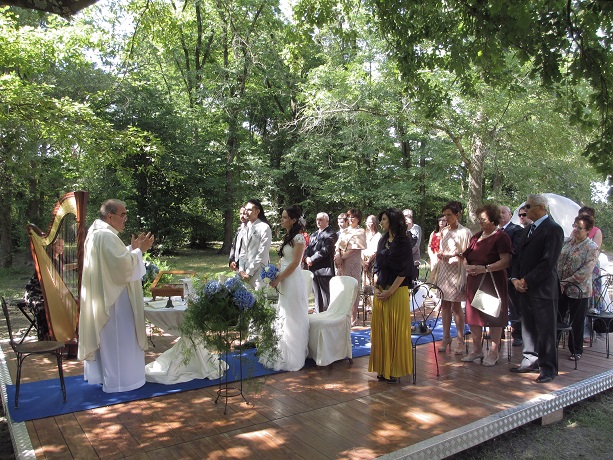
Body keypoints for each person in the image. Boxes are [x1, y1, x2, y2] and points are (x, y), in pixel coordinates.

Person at [78, 199, 155, 393]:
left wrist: (131, 250)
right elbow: (121, 268)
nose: (125, 219)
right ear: (110, 216)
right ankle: (123, 382)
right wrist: (140, 251)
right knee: (121, 340)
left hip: (107, 297)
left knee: (111, 341)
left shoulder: (97, 233)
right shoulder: (105, 235)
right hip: (116, 303)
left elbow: (112, 262)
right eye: (122, 215)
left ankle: (107, 377)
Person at [510, 194, 564, 383]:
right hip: (524, 288)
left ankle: (548, 368)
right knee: (528, 326)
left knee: (545, 328)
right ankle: (530, 359)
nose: (524, 210)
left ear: (541, 208)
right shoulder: (527, 230)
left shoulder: (553, 229)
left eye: (528, 206)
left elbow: (548, 261)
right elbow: (518, 257)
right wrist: (515, 279)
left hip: (543, 289)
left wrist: (527, 280)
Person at [462, 204, 513, 366]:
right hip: (474, 280)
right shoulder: (476, 237)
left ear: (493, 220)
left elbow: (506, 261)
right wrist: (466, 266)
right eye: (479, 219)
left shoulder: (501, 237)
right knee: (473, 316)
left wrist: (485, 269)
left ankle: (494, 351)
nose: (480, 222)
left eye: (483, 219)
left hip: (492, 281)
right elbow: (465, 256)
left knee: (493, 315)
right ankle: (477, 350)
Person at [260, 205, 309, 371]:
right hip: (284, 277)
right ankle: (281, 351)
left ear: (293, 220)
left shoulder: (299, 238)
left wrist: (279, 278)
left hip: (292, 279)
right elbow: (284, 260)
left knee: (292, 316)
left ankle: (293, 356)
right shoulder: (289, 235)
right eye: (282, 217)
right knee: (283, 314)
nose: (282, 220)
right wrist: (274, 273)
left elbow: (295, 263)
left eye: (285, 217)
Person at [369, 208, 413, 383]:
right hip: (381, 291)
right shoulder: (382, 239)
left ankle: (394, 369)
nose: (382, 222)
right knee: (382, 331)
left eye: (385, 219)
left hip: (396, 291)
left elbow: (405, 270)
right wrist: (376, 286)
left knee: (395, 332)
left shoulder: (404, 242)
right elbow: (377, 266)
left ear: (393, 221)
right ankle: (382, 368)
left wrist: (390, 291)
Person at [557, 215, 599, 360]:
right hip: (560, 287)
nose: (575, 229)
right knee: (557, 316)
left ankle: (576, 350)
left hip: (578, 289)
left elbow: (586, 271)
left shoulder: (591, 247)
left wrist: (566, 282)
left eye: (579, 228)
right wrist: (558, 281)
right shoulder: (566, 241)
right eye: (574, 226)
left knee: (576, 321)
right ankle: (552, 344)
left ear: (588, 230)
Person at [433, 201, 472, 355]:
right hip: (444, 271)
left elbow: (467, 253)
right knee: (445, 305)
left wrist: (454, 255)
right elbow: (441, 248)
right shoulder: (443, 231)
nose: (447, 218)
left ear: (457, 215)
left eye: (450, 215)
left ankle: (461, 340)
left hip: (457, 271)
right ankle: (446, 337)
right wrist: (441, 254)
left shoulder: (464, 232)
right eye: (445, 215)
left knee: (456, 307)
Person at [335, 208, 367, 324]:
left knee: (353, 288)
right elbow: (337, 245)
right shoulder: (345, 231)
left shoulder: (360, 231)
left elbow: (354, 249)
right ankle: (344, 314)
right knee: (342, 288)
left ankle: (353, 317)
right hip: (342, 263)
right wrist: (338, 255)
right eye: (348, 217)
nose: (350, 219)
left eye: (353, 217)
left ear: (358, 219)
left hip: (352, 262)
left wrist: (342, 257)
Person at [304, 212, 338, 312]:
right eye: (317, 219)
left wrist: (312, 259)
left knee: (325, 296)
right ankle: (318, 315)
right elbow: (308, 248)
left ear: (327, 221)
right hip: (314, 269)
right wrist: (306, 258)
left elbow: (326, 250)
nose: (318, 221)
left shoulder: (331, 233)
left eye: (321, 220)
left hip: (324, 270)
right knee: (317, 296)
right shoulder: (314, 234)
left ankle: (327, 317)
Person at [500, 205, 524, 347]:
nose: (501, 215)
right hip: (496, 274)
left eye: (503, 212)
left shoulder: (516, 230)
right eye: (498, 213)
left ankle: (518, 334)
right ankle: (499, 330)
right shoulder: (495, 231)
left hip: (511, 273)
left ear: (509, 214)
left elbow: (515, 250)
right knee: (498, 305)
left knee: (514, 306)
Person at [238, 199, 272, 289]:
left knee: (259, 301)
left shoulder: (264, 228)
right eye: (245, 209)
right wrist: (241, 269)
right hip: (245, 273)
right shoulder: (246, 227)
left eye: (249, 209)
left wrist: (249, 272)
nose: (246, 212)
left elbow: (262, 253)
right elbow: (243, 251)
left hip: (259, 274)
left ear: (257, 211)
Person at [362, 215, 382, 290]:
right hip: (364, 260)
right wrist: (364, 262)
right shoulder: (365, 234)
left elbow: (376, 250)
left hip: (373, 261)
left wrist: (368, 261)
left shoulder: (378, 235)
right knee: (365, 281)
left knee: (372, 281)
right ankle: (365, 300)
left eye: (370, 222)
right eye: (367, 222)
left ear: (374, 223)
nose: (368, 224)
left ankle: (371, 300)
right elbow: (362, 248)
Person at [403, 209, 421, 280]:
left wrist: (407, 254)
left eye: (409, 216)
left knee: (414, 282)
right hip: (403, 261)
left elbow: (416, 244)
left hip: (414, 260)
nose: (407, 218)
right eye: (405, 216)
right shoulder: (400, 228)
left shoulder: (417, 228)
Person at [228, 206, 247, 271]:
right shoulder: (239, 230)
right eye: (240, 214)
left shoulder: (251, 231)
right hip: (236, 265)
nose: (242, 216)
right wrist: (231, 260)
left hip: (247, 265)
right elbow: (234, 247)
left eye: (244, 214)